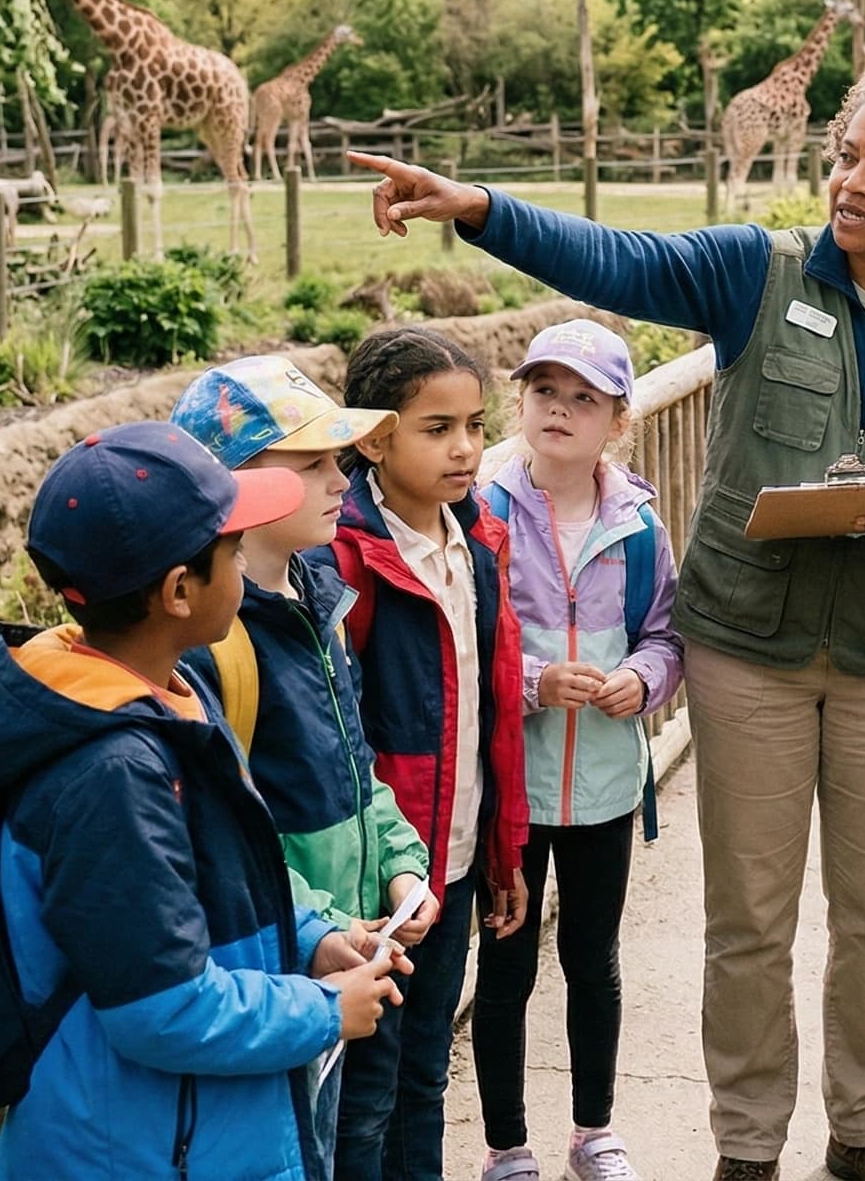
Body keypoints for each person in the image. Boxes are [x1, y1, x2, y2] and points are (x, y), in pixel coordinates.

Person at [352, 60, 865, 1181]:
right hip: (745, 647)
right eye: (845, 153)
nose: (849, 181)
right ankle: (746, 1147)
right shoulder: (752, 270)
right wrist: (477, 210)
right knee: (748, 920)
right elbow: (618, 258)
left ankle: (864, 1129)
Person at [0, 421, 406, 1181]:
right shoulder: (109, 773)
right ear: (181, 591)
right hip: (141, 1150)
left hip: (194, 1130)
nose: (246, 561)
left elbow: (216, 877)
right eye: (232, 550)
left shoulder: (164, 695)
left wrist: (308, 935)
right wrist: (322, 1011)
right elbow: (161, 1008)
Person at [167, 358, 442, 1175]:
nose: (341, 480)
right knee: (304, 1145)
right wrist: (318, 928)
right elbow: (224, 831)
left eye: (341, 460)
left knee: (363, 1132)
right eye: (313, 463)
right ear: (237, 486)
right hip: (289, 969)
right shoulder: (211, 646)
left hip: (366, 949)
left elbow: (358, 764)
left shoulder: (319, 595)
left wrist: (400, 869)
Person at [472, 320, 685, 1181]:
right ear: (520, 402)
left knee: (592, 961)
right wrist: (528, 681)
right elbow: (467, 638)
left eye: (583, 398)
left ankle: (594, 1133)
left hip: (603, 786)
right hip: (511, 790)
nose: (559, 409)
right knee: (505, 967)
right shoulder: (481, 514)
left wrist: (642, 677)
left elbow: (668, 636)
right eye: (545, 391)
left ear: (617, 421)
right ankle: (506, 1146)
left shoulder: (638, 529)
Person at [324, 327, 532, 1181]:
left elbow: (495, 710)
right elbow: (338, 734)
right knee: (365, 1093)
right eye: (437, 428)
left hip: (450, 863)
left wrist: (503, 850)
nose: (466, 448)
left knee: (423, 1072)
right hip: (378, 879)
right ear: (374, 438)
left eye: (477, 425)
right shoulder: (342, 559)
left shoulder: (477, 537)